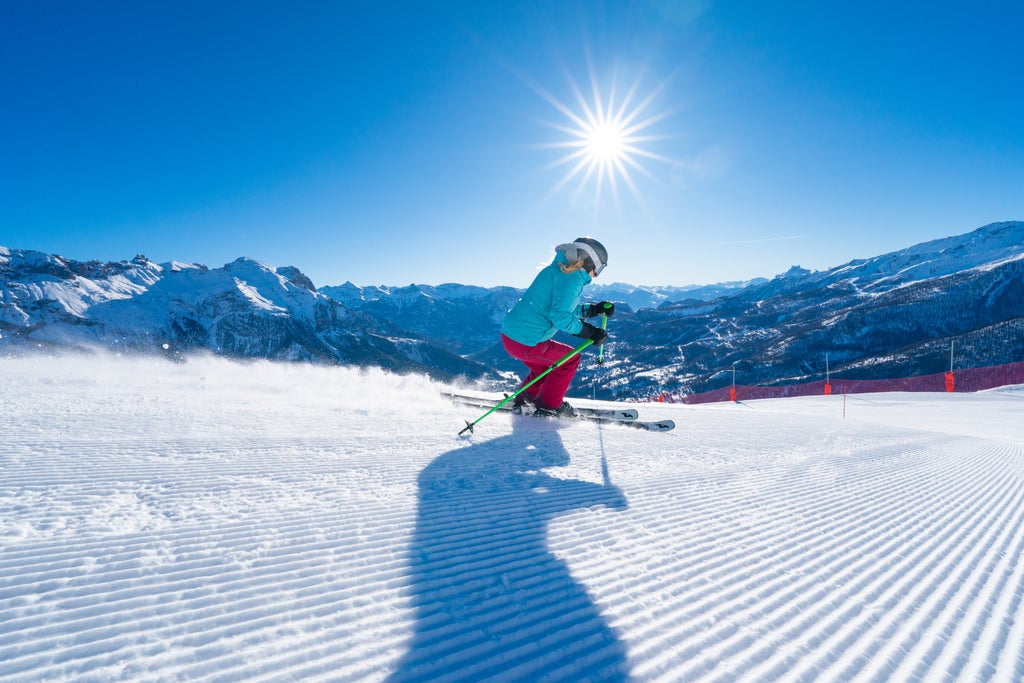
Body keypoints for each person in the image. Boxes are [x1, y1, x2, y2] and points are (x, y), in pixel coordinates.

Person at [500, 237, 616, 417]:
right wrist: (590, 332)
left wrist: (592, 310)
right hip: (527, 340)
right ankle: (548, 406)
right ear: (588, 260)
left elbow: (560, 307)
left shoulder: (557, 271)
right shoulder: (572, 278)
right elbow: (560, 317)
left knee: (545, 369)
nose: (596, 274)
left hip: (512, 336)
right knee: (570, 360)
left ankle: (526, 398)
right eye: (599, 268)